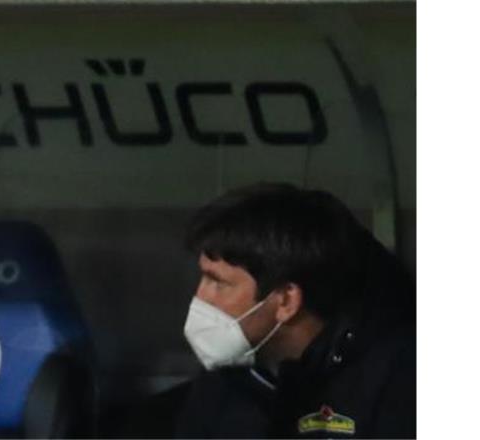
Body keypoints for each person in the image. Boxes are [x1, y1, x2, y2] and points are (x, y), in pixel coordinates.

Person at [174, 182, 415, 438]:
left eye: (218, 283)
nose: (201, 298)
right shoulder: (226, 376)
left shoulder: (399, 379)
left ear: (287, 301)